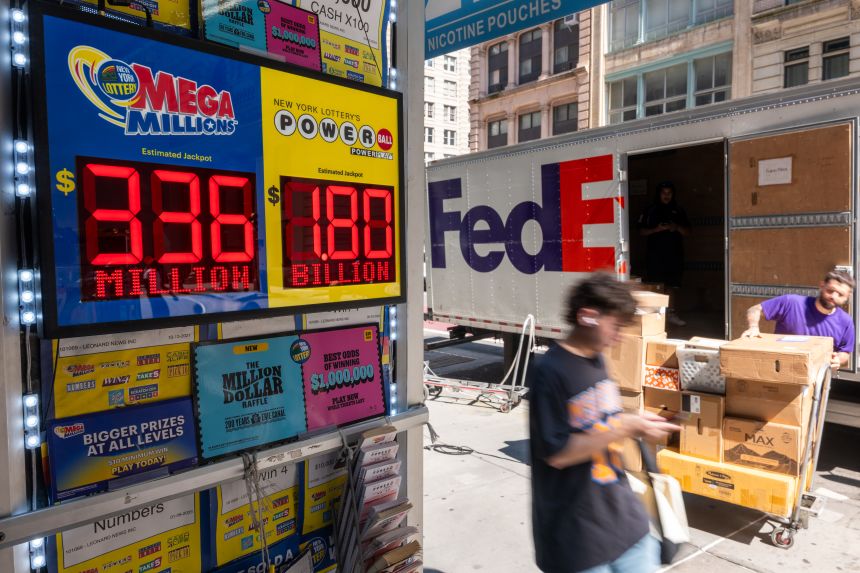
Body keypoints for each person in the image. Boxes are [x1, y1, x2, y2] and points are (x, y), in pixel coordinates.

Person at [529, 273, 679, 573]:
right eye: (616, 325)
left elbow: (599, 423)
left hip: (626, 523)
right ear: (588, 316)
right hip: (578, 539)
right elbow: (558, 453)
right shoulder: (549, 372)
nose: (620, 335)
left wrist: (633, 420)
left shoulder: (597, 361)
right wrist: (625, 427)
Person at [742, 269, 855, 369]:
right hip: (779, 367)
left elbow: (845, 352)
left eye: (840, 294)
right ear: (821, 286)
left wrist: (838, 360)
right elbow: (755, 309)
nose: (833, 296)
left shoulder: (846, 322)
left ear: (847, 298)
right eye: (830, 290)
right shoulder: (791, 302)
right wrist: (753, 327)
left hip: (817, 380)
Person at [639, 182, 691, 327]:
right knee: (657, 285)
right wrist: (656, 229)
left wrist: (676, 227)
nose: (666, 196)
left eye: (669, 193)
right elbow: (641, 232)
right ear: (659, 194)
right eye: (664, 193)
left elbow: (688, 232)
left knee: (671, 286)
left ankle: (671, 314)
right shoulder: (650, 210)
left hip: (674, 255)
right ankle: (656, 317)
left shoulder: (679, 210)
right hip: (655, 255)